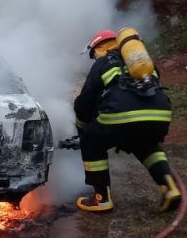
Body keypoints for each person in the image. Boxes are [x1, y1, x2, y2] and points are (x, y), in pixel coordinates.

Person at [72, 29, 180, 213]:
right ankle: (170, 187)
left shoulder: (104, 62)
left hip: (122, 114)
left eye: (93, 54)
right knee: (145, 144)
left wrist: (82, 129)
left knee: (91, 140)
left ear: (98, 48)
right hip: (160, 115)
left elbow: (85, 101)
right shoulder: (143, 64)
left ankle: (101, 199)